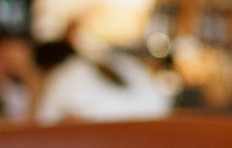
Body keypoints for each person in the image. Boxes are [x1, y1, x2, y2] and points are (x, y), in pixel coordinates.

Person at [33, 18, 174, 125]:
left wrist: (29, 78)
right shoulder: (120, 61)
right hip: (157, 130)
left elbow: (41, 129)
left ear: (46, 67)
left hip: (119, 144)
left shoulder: (60, 77)